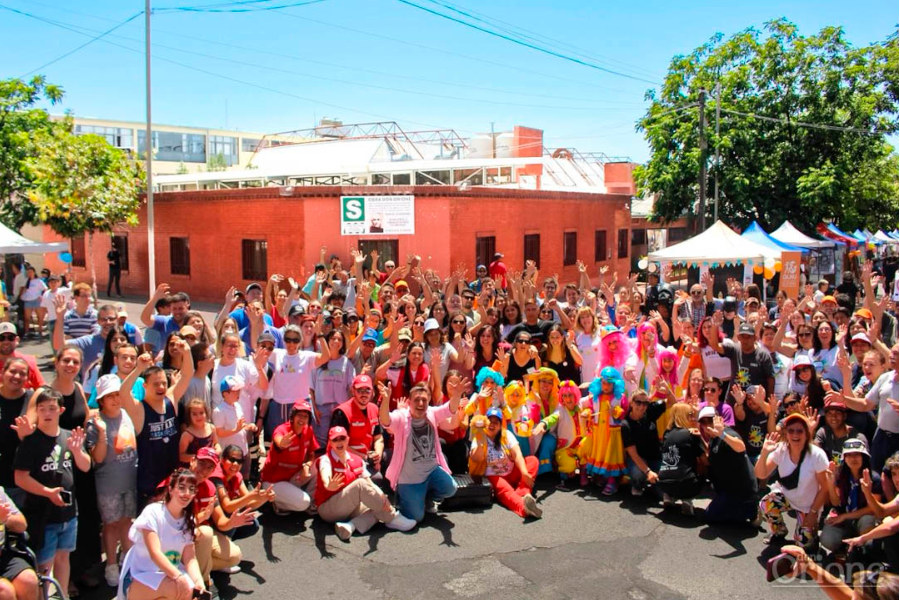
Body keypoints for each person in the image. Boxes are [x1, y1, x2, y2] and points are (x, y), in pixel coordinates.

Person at [13, 388, 91, 598]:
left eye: (51, 408)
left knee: (63, 558)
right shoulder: (31, 441)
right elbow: (20, 477)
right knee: (44, 565)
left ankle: (63, 594)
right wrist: (47, 492)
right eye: (42, 409)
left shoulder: (68, 436)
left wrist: (77, 451)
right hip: (43, 515)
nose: (47, 413)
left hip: (69, 512)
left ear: (61, 410)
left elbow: (85, 466)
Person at [120, 346, 194, 508]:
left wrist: (187, 352)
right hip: (150, 486)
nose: (161, 387)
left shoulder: (171, 399)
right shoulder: (139, 409)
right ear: (145, 386)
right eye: (156, 384)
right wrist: (138, 369)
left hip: (173, 483)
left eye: (163, 383)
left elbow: (188, 374)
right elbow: (123, 393)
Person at [118, 468, 207, 600]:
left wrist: (199, 582)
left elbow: (190, 558)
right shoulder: (153, 512)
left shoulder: (189, 520)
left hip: (169, 575)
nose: (187, 493)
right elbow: (155, 553)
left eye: (191, 489)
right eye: (181, 487)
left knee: (191, 589)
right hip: (139, 576)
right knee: (180, 588)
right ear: (170, 489)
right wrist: (179, 577)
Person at [379, 381, 461, 523]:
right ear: (409, 402)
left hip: (432, 471)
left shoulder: (431, 413)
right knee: (416, 517)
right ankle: (402, 498)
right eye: (417, 400)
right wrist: (386, 400)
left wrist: (457, 395)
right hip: (410, 479)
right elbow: (386, 420)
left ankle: (428, 498)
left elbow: (449, 409)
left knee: (451, 488)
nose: (421, 403)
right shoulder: (401, 417)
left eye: (424, 400)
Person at [85, 375, 139, 587]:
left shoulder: (126, 414)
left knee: (126, 521)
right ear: (101, 400)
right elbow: (97, 458)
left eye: (117, 394)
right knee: (111, 524)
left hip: (129, 480)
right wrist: (102, 433)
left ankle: (127, 559)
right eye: (110, 396)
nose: (116, 399)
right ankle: (111, 565)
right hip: (109, 485)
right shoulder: (95, 423)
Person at [316, 426, 416, 540]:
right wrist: (328, 484)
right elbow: (325, 474)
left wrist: (382, 497)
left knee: (377, 502)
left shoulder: (356, 460)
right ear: (330, 442)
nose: (339, 442)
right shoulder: (326, 459)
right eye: (335, 440)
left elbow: (369, 483)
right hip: (328, 508)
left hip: (349, 507)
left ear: (348, 439)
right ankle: (392, 517)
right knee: (361, 485)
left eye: (342, 438)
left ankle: (350, 526)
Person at [755, 412, 831, 547]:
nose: (795, 435)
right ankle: (779, 531)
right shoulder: (781, 450)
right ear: (786, 433)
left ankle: (811, 535)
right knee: (766, 504)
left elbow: (825, 488)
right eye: (791, 431)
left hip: (809, 506)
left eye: (799, 431)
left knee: (803, 544)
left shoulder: (817, 455)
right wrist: (764, 453)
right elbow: (761, 474)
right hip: (788, 497)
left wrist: (813, 513)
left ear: (807, 433)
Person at [469, 407, 542, 519]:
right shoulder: (479, 437)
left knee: (532, 461)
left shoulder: (506, 434)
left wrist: (524, 473)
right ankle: (525, 508)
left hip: (511, 471)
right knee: (506, 492)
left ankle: (523, 492)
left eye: (496, 422)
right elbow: (476, 458)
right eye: (489, 421)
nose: (492, 424)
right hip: (494, 475)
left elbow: (517, 454)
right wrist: (480, 440)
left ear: (500, 425)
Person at [820, 438, 883, 557]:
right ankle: (844, 546)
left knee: (867, 520)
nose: (853, 459)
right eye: (849, 455)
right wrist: (831, 483)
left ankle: (862, 549)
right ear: (844, 458)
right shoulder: (840, 475)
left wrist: (845, 516)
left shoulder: (874, 478)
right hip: (842, 515)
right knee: (827, 540)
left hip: (862, 517)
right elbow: (835, 502)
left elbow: (873, 509)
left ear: (864, 457)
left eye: (857, 455)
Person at [698, 412, 758, 524]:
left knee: (710, 516)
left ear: (719, 419)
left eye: (710, 421)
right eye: (703, 422)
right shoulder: (713, 438)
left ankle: (751, 510)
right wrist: (698, 438)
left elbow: (741, 447)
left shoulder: (728, 434)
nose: (707, 425)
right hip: (728, 487)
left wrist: (722, 434)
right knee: (710, 515)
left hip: (741, 490)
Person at [259, 401, 318, 514]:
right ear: (293, 416)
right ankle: (278, 504)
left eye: (305, 416)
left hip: (292, 478)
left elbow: (311, 454)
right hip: (274, 482)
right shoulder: (282, 430)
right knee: (303, 502)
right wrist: (282, 443)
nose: (302, 419)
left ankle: (307, 502)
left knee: (321, 462)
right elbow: (278, 439)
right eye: (299, 415)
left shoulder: (308, 430)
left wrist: (307, 466)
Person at [532, 380, 588, 489]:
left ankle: (583, 472)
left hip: (580, 446)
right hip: (566, 448)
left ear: (575, 395)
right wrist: (543, 424)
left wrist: (596, 381)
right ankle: (563, 472)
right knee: (569, 466)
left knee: (589, 444)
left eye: (570, 395)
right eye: (564, 396)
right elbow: (552, 418)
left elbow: (593, 397)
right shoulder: (561, 410)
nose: (568, 399)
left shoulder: (580, 404)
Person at [582, 368, 629, 495]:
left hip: (613, 433)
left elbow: (625, 413)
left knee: (611, 456)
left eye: (609, 383)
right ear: (600, 383)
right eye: (604, 383)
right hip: (598, 432)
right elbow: (591, 409)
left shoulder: (620, 397)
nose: (606, 386)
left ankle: (613, 480)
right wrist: (587, 412)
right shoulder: (596, 397)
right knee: (600, 454)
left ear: (615, 384)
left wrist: (617, 412)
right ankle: (602, 476)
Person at [328, 374, 384, 474]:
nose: (364, 394)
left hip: (367, 459)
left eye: (367, 390)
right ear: (353, 391)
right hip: (344, 461)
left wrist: (377, 456)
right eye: (360, 390)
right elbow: (338, 445)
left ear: (373, 392)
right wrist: (365, 458)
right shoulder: (342, 412)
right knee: (376, 479)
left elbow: (378, 437)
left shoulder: (374, 409)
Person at [657, 403, 706, 515]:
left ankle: (669, 496)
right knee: (703, 464)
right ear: (682, 415)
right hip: (687, 484)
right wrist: (699, 436)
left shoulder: (666, 433)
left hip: (663, 483)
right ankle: (687, 499)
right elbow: (705, 460)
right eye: (690, 414)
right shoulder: (691, 434)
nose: (692, 417)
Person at [309, 330, 356, 447]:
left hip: (339, 410)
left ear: (343, 343)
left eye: (339, 339)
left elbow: (352, 388)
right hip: (321, 410)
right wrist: (314, 409)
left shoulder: (346, 363)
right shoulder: (318, 360)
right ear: (327, 341)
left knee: (338, 442)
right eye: (333, 338)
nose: (336, 341)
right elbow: (310, 388)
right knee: (320, 444)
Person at [622, 389, 667, 497]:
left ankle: (655, 484)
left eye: (645, 403)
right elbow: (633, 454)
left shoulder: (650, 411)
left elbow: (672, 402)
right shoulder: (625, 424)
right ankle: (637, 485)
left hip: (655, 457)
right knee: (638, 474)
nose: (642, 406)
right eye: (638, 402)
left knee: (662, 491)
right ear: (631, 403)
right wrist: (648, 472)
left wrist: (668, 391)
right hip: (638, 459)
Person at [0, 486, 39, 600]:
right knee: (4, 591)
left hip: (3, 554)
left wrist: (6, 519)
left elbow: (22, 525)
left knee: (28, 580)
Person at [213, 377, 256, 480]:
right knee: (229, 479)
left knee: (244, 477)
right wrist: (235, 430)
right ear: (225, 393)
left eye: (239, 390)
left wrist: (249, 426)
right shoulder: (219, 411)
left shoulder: (238, 406)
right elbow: (219, 432)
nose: (238, 393)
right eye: (234, 391)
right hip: (230, 455)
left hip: (243, 450)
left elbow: (241, 425)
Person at [0, 322, 44, 391]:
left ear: (17, 340)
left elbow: (41, 388)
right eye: (1, 338)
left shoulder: (28, 362)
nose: (6, 342)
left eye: (11, 338)